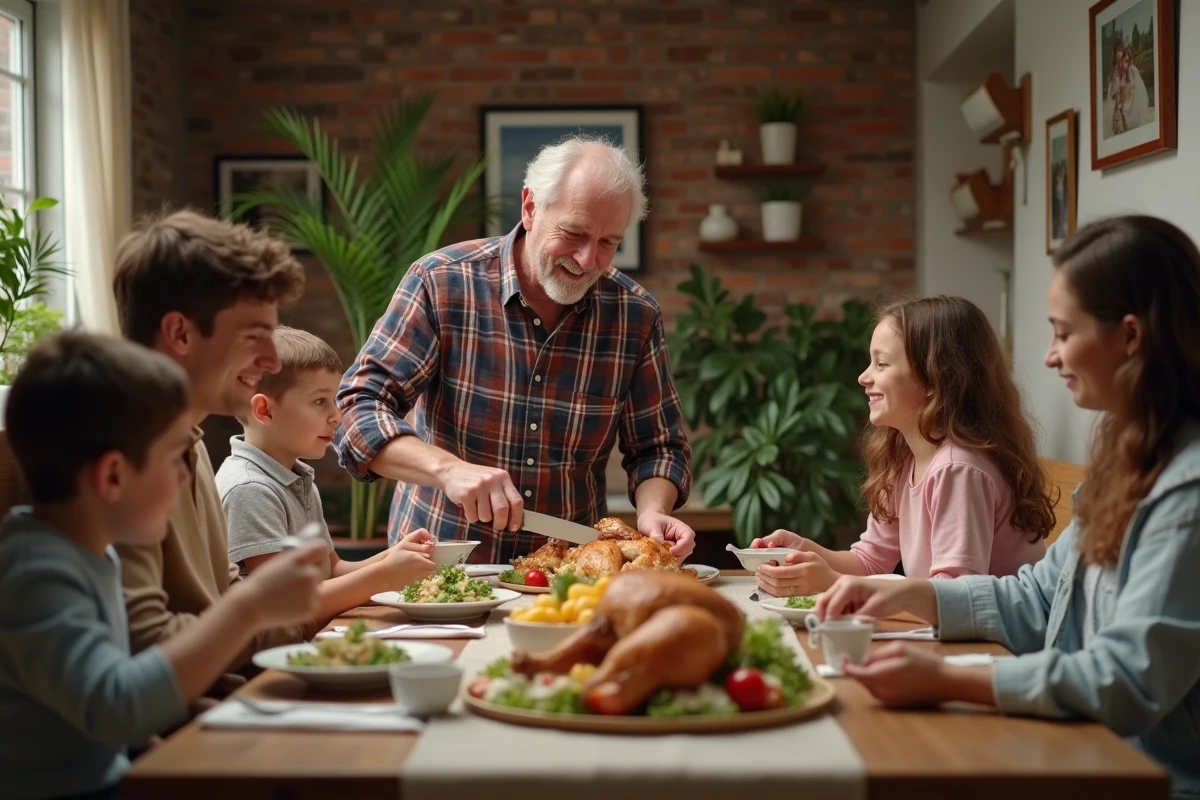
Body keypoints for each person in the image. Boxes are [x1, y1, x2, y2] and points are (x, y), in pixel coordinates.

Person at [818, 216, 1200, 799]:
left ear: (1129, 336)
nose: (1049, 357)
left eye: (1063, 333)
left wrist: (950, 679)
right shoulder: (1128, 463)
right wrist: (904, 593)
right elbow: (1041, 595)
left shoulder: (1186, 495)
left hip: (1150, 779)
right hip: (1081, 749)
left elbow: (1126, 681)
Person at [335, 137, 695, 565]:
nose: (587, 258)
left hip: (570, 576)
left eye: (608, 242)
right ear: (529, 207)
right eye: (574, 233)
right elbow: (358, 409)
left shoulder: (634, 314)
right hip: (439, 566)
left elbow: (659, 446)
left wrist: (654, 510)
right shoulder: (442, 283)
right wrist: (448, 470)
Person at [0, 332, 324, 800]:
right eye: (176, 458)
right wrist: (249, 607)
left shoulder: (91, 554)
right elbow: (116, 705)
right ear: (113, 475)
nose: (187, 475)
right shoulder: (37, 573)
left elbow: (88, 708)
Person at [111, 209, 320, 693]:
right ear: (180, 333)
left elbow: (221, 601)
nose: (270, 360)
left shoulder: (191, 442)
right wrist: (262, 610)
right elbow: (145, 650)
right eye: (253, 336)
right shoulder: (121, 461)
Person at [752, 296, 1053, 597]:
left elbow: (957, 599)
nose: (863, 377)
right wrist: (802, 552)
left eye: (881, 364)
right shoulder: (904, 459)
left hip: (1002, 643)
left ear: (934, 380)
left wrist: (835, 583)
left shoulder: (958, 469)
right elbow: (869, 560)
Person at [216, 325, 436, 618]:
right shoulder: (250, 489)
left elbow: (332, 570)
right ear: (264, 411)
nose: (337, 415)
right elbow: (286, 603)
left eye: (333, 400)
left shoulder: (296, 478)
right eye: (320, 401)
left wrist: (393, 557)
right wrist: (384, 576)